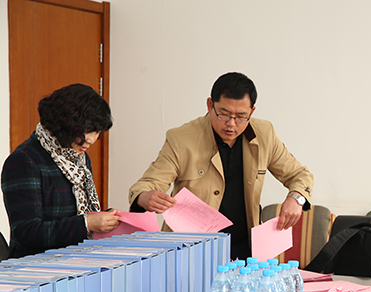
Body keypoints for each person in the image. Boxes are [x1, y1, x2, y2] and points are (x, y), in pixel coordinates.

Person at [128, 72, 314, 260]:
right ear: (210, 105)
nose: (231, 124)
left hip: (246, 251)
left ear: (252, 112)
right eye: (223, 114)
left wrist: (296, 198)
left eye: (241, 116)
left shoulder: (264, 134)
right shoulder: (181, 139)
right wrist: (145, 197)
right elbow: (146, 185)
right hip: (190, 252)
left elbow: (300, 175)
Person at [1, 84, 120, 258]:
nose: (91, 140)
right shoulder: (24, 160)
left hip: (78, 261)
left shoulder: (79, 157)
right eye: (87, 131)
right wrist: (86, 224)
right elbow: (27, 232)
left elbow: (76, 213)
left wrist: (105, 218)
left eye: (97, 132)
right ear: (66, 123)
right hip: (37, 267)